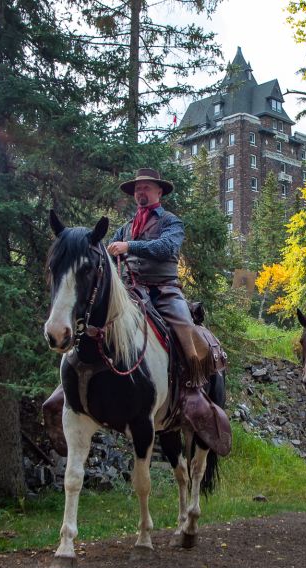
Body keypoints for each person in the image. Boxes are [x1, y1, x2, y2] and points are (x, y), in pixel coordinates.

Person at [43, 168, 228, 454]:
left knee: (186, 332)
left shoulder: (171, 222)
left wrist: (130, 246)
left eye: (146, 188)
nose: (140, 193)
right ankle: (70, 389)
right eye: (137, 189)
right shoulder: (124, 227)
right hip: (129, 293)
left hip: (164, 291)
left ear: (159, 192)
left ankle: (193, 390)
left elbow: (167, 248)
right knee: (94, 325)